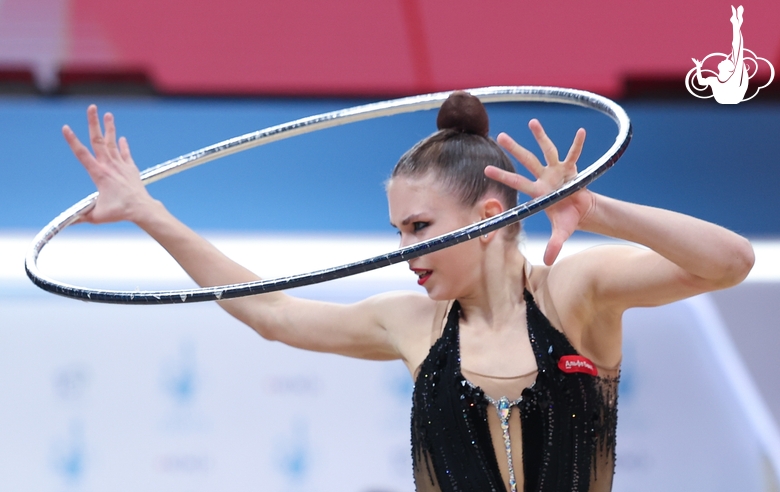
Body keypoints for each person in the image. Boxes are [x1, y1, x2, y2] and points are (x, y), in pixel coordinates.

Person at [62, 91, 754, 492]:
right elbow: (271, 311)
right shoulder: (412, 324)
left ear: (492, 218)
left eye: (419, 226)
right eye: (395, 230)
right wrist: (149, 212)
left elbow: (728, 261)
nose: (404, 250)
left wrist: (598, 211)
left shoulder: (576, 292)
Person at [692, 5, 748, 104]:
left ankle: (736, 23)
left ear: (729, 69)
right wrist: (698, 67)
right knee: (736, 50)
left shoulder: (734, 77)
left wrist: (736, 25)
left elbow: (738, 48)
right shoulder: (714, 80)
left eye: (727, 61)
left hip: (733, 97)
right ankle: (736, 23)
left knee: (737, 50)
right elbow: (700, 82)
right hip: (726, 98)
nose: (724, 59)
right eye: (727, 60)